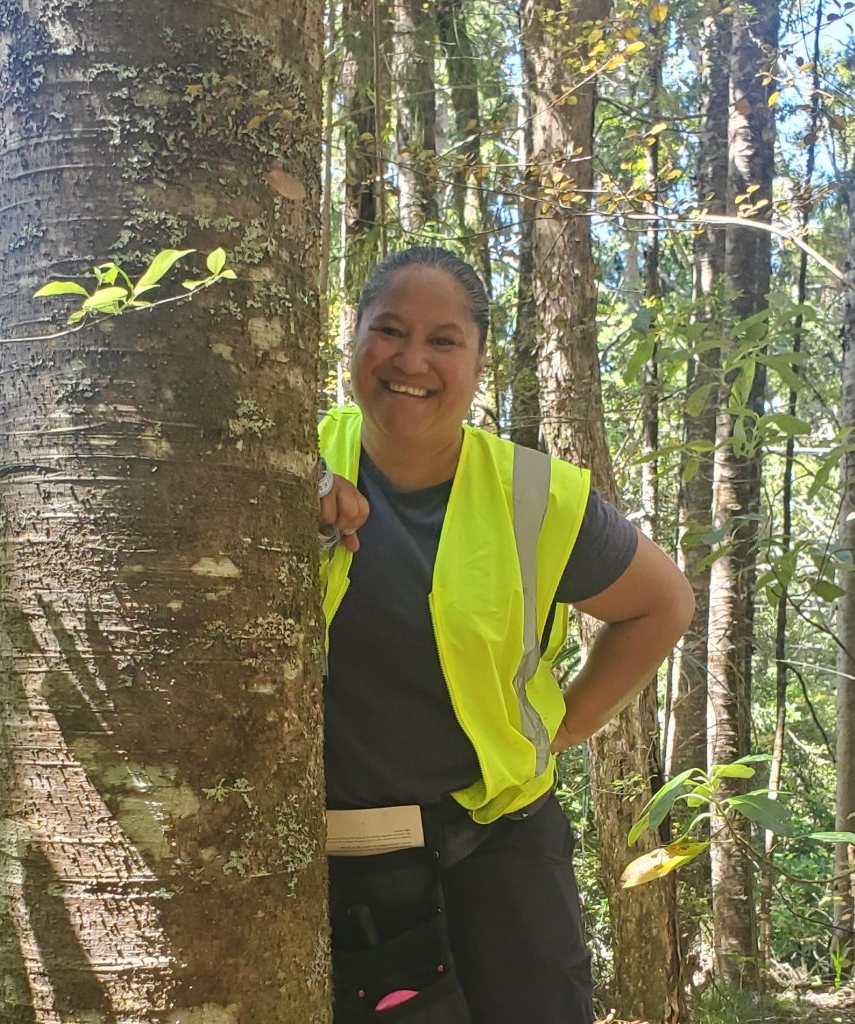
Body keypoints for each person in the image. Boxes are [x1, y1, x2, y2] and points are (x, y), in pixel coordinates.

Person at [317, 246, 694, 1023]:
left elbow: (663, 604)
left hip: (497, 845)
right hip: (339, 861)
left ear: (479, 359)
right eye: (388, 331)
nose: (410, 360)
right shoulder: (290, 464)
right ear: (353, 339)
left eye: (443, 340)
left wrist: (561, 730)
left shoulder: (537, 494)